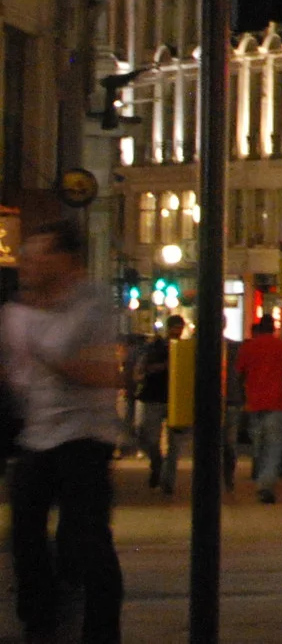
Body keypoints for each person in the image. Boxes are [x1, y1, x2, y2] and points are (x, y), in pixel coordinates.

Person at [4, 221, 125, 644]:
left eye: (39, 257)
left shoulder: (91, 305)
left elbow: (107, 373)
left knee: (86, 537)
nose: (28, 265)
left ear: (66, 261)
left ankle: (100, 629)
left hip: (84, 435)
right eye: (27, 259)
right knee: (24, 531)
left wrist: (53, 360)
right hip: (37, 434)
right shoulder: (16, 311)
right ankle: (39, 622)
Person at [235, 315, 282, 504]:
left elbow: (238, 374)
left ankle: (261, 475)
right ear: (274, 329)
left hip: (254, 403)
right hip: (277, 403)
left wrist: (243, 398)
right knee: (275, 446)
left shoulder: (248, 348)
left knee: (259, 445)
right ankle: (265, 484)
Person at [135, 317, 181, 491]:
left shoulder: (185, 348)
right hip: (154, 397)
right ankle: (157, 462)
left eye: (180, 328)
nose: (177, 332)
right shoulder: (155, 347)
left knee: (175, 444)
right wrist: (166, 365)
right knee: (148, 437)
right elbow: (144, 369)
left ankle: (168, 481)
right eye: (175, 328)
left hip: (175, 400)